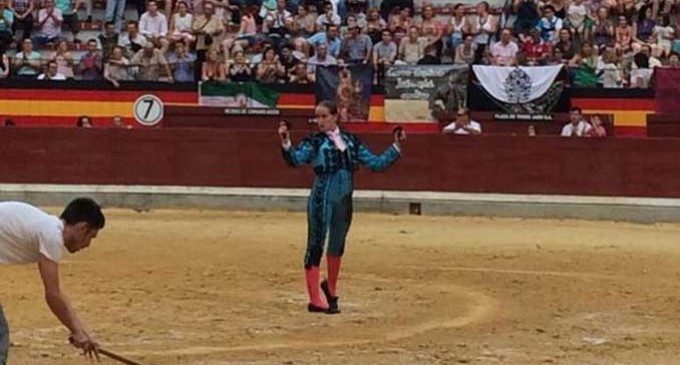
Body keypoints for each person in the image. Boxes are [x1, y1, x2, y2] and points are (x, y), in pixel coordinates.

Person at [278, 100, 405, 314]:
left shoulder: (351, 141)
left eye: (324, 116)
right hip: (322, 197)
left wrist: (396, 146)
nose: (319, 121)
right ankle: (315, 300)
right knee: (316, 244)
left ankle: (331, 288)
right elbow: (296, 161)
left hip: (344, 198)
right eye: (317, 117)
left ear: (335, 117)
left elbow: (376, 163)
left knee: (337, 245)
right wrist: (286, 142)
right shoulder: (315, 142)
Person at [0, 198, 105, 364]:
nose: (87, 245)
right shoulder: (51, 235)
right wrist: (76, 331)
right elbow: (53, 294)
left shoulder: (49, 228)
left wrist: (81, 332)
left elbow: (58, 294)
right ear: (82, 227)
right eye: (90, 237)